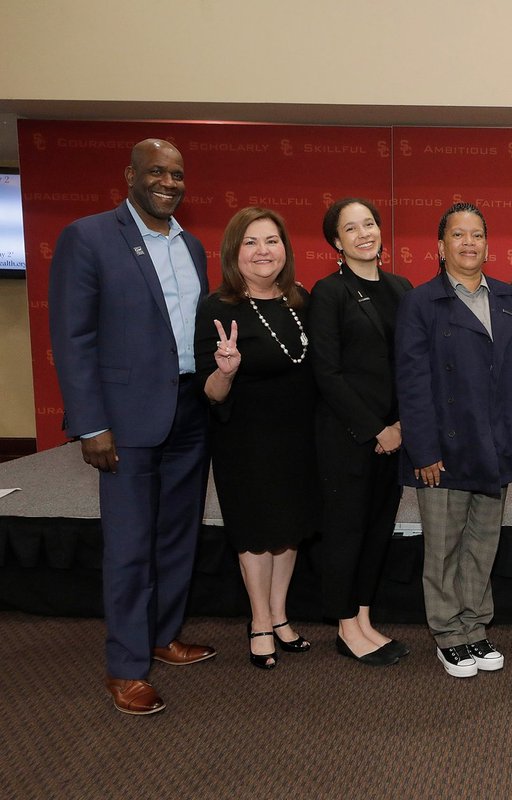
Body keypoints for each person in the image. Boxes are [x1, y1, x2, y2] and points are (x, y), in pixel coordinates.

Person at [48, 138, 215, 715]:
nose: (168, 183)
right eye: (156, 172)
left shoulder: (192, 246)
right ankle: (125, 665)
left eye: (177, 174)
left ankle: (162, 636)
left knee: (177, 535)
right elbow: (73, 338)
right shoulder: (88, 237)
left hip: (191, 411)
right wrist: (91, 423)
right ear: (130, 175)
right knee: (129, 544)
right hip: (125, 419)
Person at [395, 202, 512, 678]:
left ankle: (475, 626)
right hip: (443, 450)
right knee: (443, 548)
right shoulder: (421, 302)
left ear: (487, 243)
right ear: (441, 247)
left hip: (495, 445)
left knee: (483, 544)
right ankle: (447, 634)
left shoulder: (507, 298)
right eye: (458, 235)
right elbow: (412, 383)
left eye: (476, 235)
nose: (468, 243)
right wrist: (423, 449)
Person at [195, 207, 318, 670]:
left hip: (298, 436)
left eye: (271, 240)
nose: (263, 251)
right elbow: (210, 391)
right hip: (245, 440)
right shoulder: (218, 307)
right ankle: (260, 621)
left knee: (289, 530)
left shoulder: (300, 300)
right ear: (233, 252)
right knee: (256, 531)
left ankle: (281, 615)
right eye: (250, 242)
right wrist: (226, 371)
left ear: (285, 249)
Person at [309, 198, 413, 667]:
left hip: (396, 435)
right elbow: (326, 373)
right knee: (346, 531)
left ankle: (365, 619)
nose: (363, 234)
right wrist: (375, 429)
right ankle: (346, 626)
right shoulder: (329, 292)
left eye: (368, 224)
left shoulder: (401, 287)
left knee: (377, 529)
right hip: (348, 437)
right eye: (351, 229)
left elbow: (411, 363)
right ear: (337, 241)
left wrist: (401, 425)